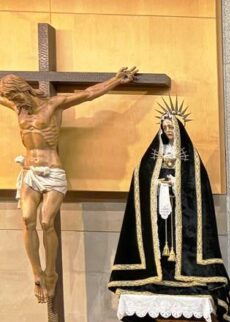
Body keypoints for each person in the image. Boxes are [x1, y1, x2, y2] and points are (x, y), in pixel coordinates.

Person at [0, 67, 136, 302]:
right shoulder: (18, 107)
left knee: (46, 221)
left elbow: (89, 94)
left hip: (52, 171)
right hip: (29, 171)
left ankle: (51, 272)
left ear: (23, 90)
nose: (14, 103)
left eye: (14, 97)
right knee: (27, 219)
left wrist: (115, 80)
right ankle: (37, 273)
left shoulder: (53, 105)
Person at [107, 107, 230, 322]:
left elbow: (197, 191)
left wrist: (176, 186)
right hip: (158, 218)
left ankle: (183, 272)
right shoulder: (149, 161)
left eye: (171, 127)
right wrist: (158, 186)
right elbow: (141, 185)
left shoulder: (191, 163)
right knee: (158, 241)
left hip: (182, 219)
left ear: (178, 130)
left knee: (179, 242)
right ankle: (158, 273)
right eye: (165, 127)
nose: (168, 130)